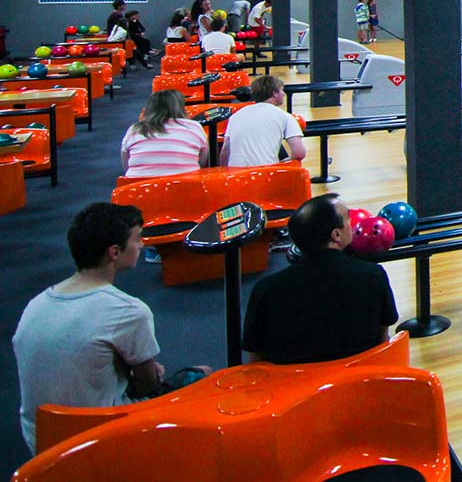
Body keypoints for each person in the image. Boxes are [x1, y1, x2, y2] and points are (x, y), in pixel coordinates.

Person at [13, 203, 210, 455]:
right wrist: (151, 374)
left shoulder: (36, 304)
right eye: (137, 239)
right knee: (200, 375)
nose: (141, 245)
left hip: (40, 438)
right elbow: (147, 386)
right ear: (114, 252)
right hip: (98, 435)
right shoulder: (128, 311)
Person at [242, 194, 398, 364]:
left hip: (296, 387)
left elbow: (256, 358)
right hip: (359, 383)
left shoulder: (266, 289)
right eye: (348, 218)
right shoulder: (373, 276)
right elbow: (382, 340)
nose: (353, 224)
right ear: (336, 235)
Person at [219, 75, 305, 167]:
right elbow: (299, 153)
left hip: (236, 177)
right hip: (265, 175)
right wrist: (286, 161)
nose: (284, 93)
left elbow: (225, 152)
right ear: (274, 93)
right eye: (281, 90)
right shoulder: (285, 116)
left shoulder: (235, 116)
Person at [120, 90, 209, 178]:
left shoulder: (134, 129)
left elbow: (126, 165)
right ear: (180, 107)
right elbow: (202, 161)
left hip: (139, 188)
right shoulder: (194, 127)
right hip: (183, 187)